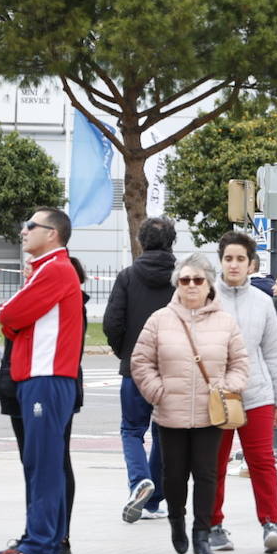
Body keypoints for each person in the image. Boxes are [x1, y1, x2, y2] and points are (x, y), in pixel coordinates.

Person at [130, 253, 250, 554]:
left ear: (209, 284)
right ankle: (176, 521)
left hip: (210, 412)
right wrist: (158, 391)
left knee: (207, 475)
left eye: (198, 280)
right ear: (177, 284)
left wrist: (229, 385)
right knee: (174, 477)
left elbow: (240, 363)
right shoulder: (160, 320)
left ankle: (202, 535)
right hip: (171, 413)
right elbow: (141, 361)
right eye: (185, 280)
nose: (192, 285)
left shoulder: (225, 322)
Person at [0, 208, 84, 554]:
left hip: (46, 378)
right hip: (41, 377)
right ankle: (47, 539)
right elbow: (13, 321)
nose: (23, 230)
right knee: (45, 462)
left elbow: (8, 316)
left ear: (53, 234)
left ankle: (41, 546)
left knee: (42, 463)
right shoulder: (49, 269)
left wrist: (14, 323)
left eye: (31, 225)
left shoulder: (55, 269)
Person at [209, 231, 277, 554]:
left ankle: (271, 523)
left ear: (251, 263)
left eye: (240, 259)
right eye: (228, 258)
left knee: (262, 461)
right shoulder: (206, 296)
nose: (234, 264)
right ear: (221, 262)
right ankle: (213, 524)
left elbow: (273, 353)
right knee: (213, 463)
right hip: (217, 395)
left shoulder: (263, 302)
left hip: (257, 393)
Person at [104, 216, 176, 523]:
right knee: (163, 433)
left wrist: (126, 353)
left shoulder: (128, 276)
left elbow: (112, 322)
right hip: (173, 368)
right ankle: (153, 500)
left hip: (136, 367)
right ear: (172, 242)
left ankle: (139, 481)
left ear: (140, 241)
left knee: (132, 430)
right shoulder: (183, 278)